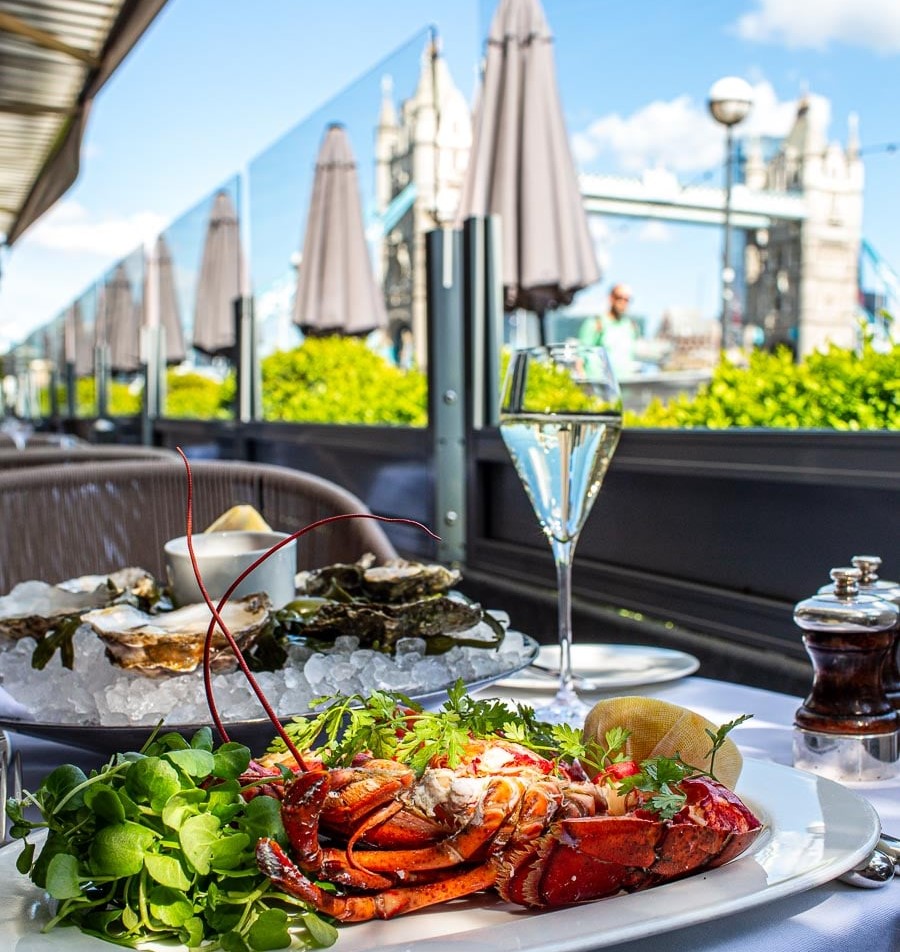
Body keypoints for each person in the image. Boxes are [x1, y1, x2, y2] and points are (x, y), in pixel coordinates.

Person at [578, 283, 637, 378]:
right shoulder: (595, 323)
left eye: (627, 299)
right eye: (619, 297)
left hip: (625, 385)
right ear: (611, 298)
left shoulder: (630, 326)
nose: (623, 302)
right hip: (600, 386)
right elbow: (580, 357)